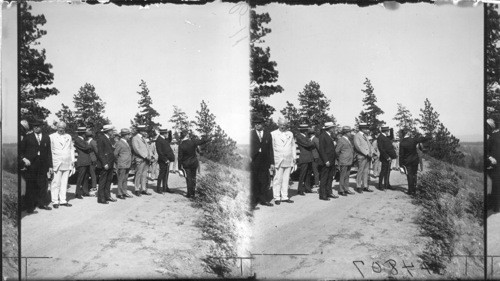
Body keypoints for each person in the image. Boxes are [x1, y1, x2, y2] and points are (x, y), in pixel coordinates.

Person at [20, 119, 53, 213]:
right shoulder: (28, 137)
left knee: (43, 185)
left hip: (43, 165)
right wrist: (24, 159)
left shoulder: (46, 137)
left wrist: (50, 166)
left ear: (41, 127)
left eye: (38, 126)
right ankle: (30, 207)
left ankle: (42, 204)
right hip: (31, 165)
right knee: (31, 185)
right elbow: (21, 150)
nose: (36, 128)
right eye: (34, 126)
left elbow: (49, 153)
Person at [269, 117, 296, 205]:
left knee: (286, 179)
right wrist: (272, 160)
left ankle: (285, 196)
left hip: (288, 159)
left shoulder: (290, 134)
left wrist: (294, 157)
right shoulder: (273, 134)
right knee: (277, 179)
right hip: (278, 159)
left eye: (284, 125)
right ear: (278, 124)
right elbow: (271, 148)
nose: (283, 127)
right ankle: (277, 197)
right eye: (281, 125)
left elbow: (293, 146)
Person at [49, 121, 75, 208]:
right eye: (60, 127)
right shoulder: (52, 137)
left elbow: (71, 149)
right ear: (57, 128)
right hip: (57, 162)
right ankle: (55, 201)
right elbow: (50, 151)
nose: (61, 129)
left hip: (67, 162)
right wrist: (51, 163)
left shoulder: (68, 136)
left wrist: (72, 161)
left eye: (63, 128)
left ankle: (63, 200)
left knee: (65, 182)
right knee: (56, 182)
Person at [178, 130, 210, 199]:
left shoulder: (181, 145)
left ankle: (189, 194)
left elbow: (179, 157)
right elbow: (202, 141)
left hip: (186, 164)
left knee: (188, 178)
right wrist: (206, 137)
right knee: (193, 178)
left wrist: (179, 167)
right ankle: (193, 193)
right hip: (194, 162)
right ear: (187, 135)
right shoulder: (193, 142)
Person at [250, 116, 273, 207]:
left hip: (264, 160)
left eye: (259, 123)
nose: (257, 125)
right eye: (255, 124)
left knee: (264, 181)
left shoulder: (267, 134)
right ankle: (253, 201)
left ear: (262, 124)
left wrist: (271, 163)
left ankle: (264, 200)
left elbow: (270, 149)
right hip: (254, 160)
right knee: (254, 181)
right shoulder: (251, 134)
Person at [399, 129, 431, 195]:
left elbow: (401, 155)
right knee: (414, 174)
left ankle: (410, 190)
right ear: (407, 133)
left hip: (407, 161)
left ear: (403, 134)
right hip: (415, 160)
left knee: (409, 175)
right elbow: (421, 139)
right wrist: (428, 136)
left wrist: (401, 164)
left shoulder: (402, 143)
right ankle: (414, 189)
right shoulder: (413, 140)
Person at [96, 124, 117, 204]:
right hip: (105, 164)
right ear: (108, 131)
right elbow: (100, 153)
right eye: (111, 130)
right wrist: (104, 163)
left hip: (110, 163)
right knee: (103, 181)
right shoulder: (101, 139)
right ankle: (101, 198)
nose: (112, 132)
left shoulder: (109, 139)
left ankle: (107, 196)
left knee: (108, 180)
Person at [318, 121, 338, 201]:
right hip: (326, 161)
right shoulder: (323, 136)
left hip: (331, 160)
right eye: (333, 128)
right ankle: (323, 195)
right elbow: (322, 150)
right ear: (329, 128)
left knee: (330, 177)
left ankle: (329, 192)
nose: (334, 129)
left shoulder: (330, 136)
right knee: (324, 178)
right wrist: (326, 160)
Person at [353, 123, 374, 193]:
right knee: (360, 171)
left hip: (367, 156)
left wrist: (371, 153)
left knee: (366, 172)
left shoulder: (365, 136)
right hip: (361, 156)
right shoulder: (357, 136)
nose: (367, 130)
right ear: (362, 129)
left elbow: (369, 145)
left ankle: (365, 186)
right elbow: (358, 146)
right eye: (366, 128)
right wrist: (366, 153)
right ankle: (358, 186)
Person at [132, 125, 152, 196]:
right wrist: (145, 156)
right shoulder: (135, 138)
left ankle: (143, 189)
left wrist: (150, 156)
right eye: (144, 131)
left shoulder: (143, 138)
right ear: (140, 131)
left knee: (144, 174)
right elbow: (137, 149)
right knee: (138, 174)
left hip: (146, 159)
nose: (145, 132)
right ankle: (137, 189)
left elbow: (147, 148)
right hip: (140, 159)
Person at [295, 124, 315, 196]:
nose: (307, 131)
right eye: (306, 129)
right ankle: (300, 190)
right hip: (304, 157)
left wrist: (310, 143)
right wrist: (310, 142)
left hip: (308, 157)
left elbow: (310, 144)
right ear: (303, 130)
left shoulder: (305, 137)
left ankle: (308, 188)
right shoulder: (299, 137)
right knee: (303, 174)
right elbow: (308, 145)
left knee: (308, 174)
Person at [336, 126, 355, 196]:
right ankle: (341, 190)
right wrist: (341, 158)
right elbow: (337, 151)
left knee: (347, 175)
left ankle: (346, 189)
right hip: (344, 160)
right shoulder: (341, 140)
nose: (350, 133)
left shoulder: (348, 139)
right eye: (349, 132)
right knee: (342, 176)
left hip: (349, 160)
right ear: (346, 133)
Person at [114, 128, 133, 199]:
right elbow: (115, 154)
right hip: (122, 163)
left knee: (125, 179)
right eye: (128, 135)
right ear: (124, 135)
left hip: (127, 163)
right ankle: (119, 193)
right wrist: (119, 161)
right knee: (121, 179)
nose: (129, 136)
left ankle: (124, 192)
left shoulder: (126, 142)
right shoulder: (119, 143)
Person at [74, 127, 92, 199]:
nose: (86, 135)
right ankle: (78, 193)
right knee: (80, 177)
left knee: (86, 177)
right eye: (85, 133)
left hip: (86, 160)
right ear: (82, 134)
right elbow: (85, 148)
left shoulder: (82, 140)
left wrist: (88, 146)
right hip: (82, 161)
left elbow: (87, 147)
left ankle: (85, 191)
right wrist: (89, 145)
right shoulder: (78, 140)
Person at [377, 126, 397, 191]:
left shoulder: (386, 137)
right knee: (383, 171)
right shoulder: (380, 137)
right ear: (385, 131)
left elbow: (391, 137)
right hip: (385, 157)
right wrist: (387, 157)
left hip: (389, 156)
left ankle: (387, 184)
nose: (388, 132)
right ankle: (380, 185)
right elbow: (381, 149)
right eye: (388, 131)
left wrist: (391, 130)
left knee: (388, 171)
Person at [156, 128, 175, 194]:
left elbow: (169, 139)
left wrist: (170, 133)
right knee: (161, 174)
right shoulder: (159, 140)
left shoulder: (164, 139)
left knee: (166, 174)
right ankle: (158, 188)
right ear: (164, 133)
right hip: (163, 160)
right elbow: (159, 152)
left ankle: (165, 187)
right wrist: (165, 159)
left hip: (167, 159)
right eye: (166, 133)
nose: (167, 134)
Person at [488, 117, 500, 212]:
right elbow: (489, 149)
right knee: (496, 185)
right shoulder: (494, 135)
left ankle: (496, 206)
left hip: (496, 163)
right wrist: (490, 158)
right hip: (497, 164)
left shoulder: (493, 135)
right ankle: (496, 206)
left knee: (496, 185)